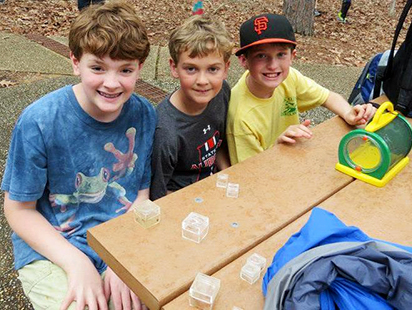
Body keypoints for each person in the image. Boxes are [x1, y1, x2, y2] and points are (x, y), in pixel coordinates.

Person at [1, 1, 155, 309]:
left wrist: (122, 257)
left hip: (118, 239)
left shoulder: (144, 114)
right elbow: (18, 210)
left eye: (125, 70)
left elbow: (140, 193)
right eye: (97, 68)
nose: (111, 83)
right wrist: (77, 264)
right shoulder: (39, 121)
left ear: (139, 67)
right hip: (53, 248)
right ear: (75, 62)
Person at [226, 14, 375, 165]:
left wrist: (348, 112)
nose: (273, 65)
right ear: (244, 61)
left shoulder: (290, 77)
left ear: (292, 56)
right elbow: (249, 173)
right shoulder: (240, 117)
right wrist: (277, 146)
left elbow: (328, 97)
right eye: (261, 55)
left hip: (292, 159)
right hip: (268, 172)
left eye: (281, 54)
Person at [150, 15, 233, 200]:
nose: (202, 81)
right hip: (181, 201)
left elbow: (218, 145)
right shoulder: (165, 131)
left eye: (213, 69)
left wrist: (229, 176)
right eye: (191, 69)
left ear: (226, 69)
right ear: (174, 67)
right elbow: (158, 193)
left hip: (214, 186)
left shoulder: (221, 93)